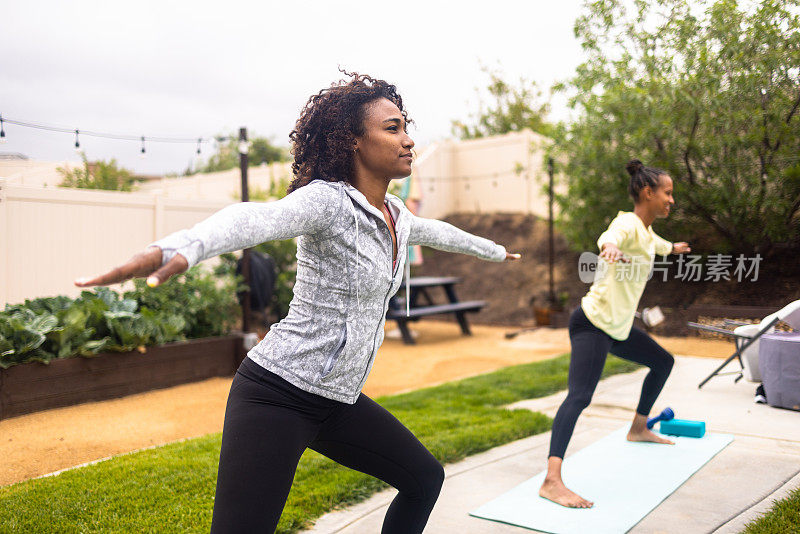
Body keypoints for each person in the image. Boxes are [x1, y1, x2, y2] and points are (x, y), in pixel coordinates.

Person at [75, 72, 520, 533]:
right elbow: (260, 217)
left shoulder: (397, 215)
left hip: (336, 401)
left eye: (406, 126)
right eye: (392, 128)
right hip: (277, 394)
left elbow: (443, 233)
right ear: (352, 140)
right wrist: (179, 248)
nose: (408, 140)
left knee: (424, 478)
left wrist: (495, 250)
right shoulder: (327, 202)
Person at [538, 159, 691, 509]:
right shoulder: (626, 223)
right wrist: (607, 248)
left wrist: (676, 248)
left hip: (618, 328)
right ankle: (551, 480)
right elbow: (612, 236)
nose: (672, 200)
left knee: (663, 362)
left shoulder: (647, 232)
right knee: (579, 397)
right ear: (648, 192)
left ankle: (638, 428)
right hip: (593, 324)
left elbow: (658, 244)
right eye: (667, 193)